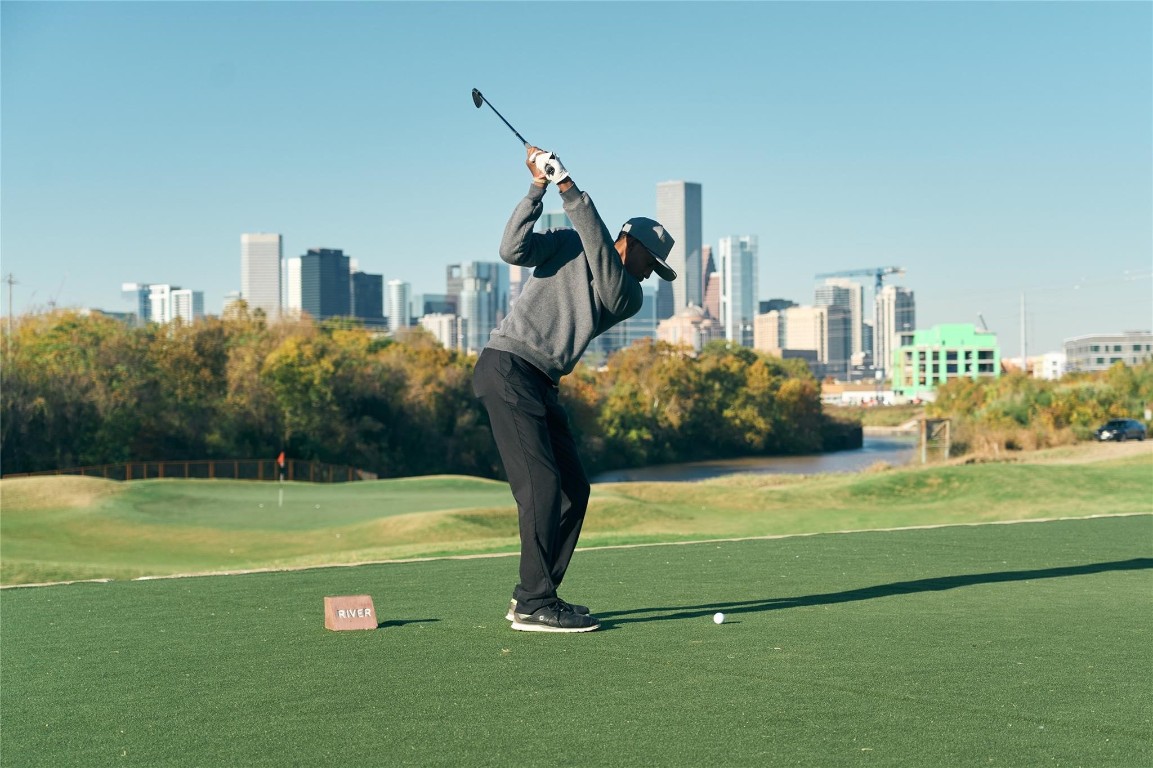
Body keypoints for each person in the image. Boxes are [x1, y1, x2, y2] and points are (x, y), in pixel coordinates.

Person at [472, 145, 677, 633]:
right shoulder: (567, 241)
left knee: (572, 491)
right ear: (633, 242)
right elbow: (511, 250)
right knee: (542, 486)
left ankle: (540, 594)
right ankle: (533, 602)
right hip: (507, 368)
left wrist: (570, 187)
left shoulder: (627, 295)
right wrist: (539, 188)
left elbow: (604, 267)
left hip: (541, 383)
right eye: (653, 262)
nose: (652, 273)